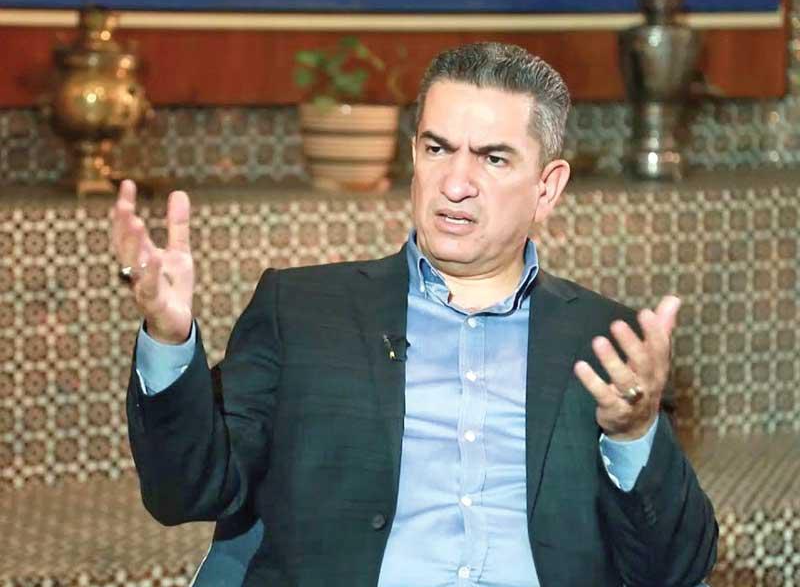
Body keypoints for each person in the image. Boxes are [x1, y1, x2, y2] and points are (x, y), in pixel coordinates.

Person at [113, 42, 717, 586]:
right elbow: (185, 491)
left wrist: (634, 435)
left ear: (547, 187)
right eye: (437, 149)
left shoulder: (609, 344)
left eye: (493, 159)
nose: (455, 183)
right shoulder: (301, 311)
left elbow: (677, 569)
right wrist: (169, 337)